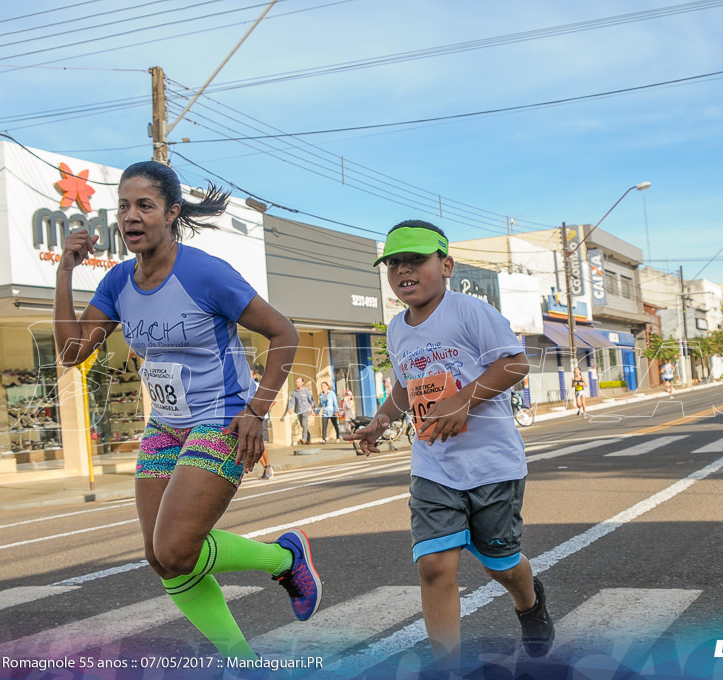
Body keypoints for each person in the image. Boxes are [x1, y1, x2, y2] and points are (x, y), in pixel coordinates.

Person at [53, 161, 319, 662]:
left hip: (222, 418)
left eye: (145, 206)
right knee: (163, 559)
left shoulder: (204, 273)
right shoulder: (117, 283)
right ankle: (244, 663)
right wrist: (65, 270)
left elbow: (285, 333)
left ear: (172, 213)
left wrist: (257, 409)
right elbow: (71, 354)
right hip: (166, 423)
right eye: (124, 207)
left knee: (177, 547)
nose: (131, 217)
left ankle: (284, 559)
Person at [345, 220, 554, 671]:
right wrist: (380, 422)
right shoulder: (396, 329)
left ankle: (530, 600)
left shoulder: (469, 312)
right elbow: (406, 387)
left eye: (416, 260)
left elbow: (515, 363)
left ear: (446, 264)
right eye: (394, 263)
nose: (404, 271)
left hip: (492, 466)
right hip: (434, 466)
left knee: (501, 565)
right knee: (434, 567)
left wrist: (463, 399)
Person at [250, 369, 274, 480]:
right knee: (253, 446)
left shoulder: (258, 386)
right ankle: (266, 467)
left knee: (260, 444)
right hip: (250, 420)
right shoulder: (245, 387)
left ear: (254, 376)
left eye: (250, 374)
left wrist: (262, 411)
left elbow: (272, 401)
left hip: (260, 419)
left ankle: (268, 467)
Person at [286, 377, 314, 445]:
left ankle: (304, 438)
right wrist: (289, 408)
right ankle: (309, 439)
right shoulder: (294, 392)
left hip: (305, 410)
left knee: (304, 424)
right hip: (298, 411)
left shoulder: (306, 391)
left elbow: (312, 401)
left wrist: (313, 410)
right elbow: (292, 400)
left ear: (302, 383)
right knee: (303, 425)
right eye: (296, 382)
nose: (297, 383)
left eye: (298, 382)